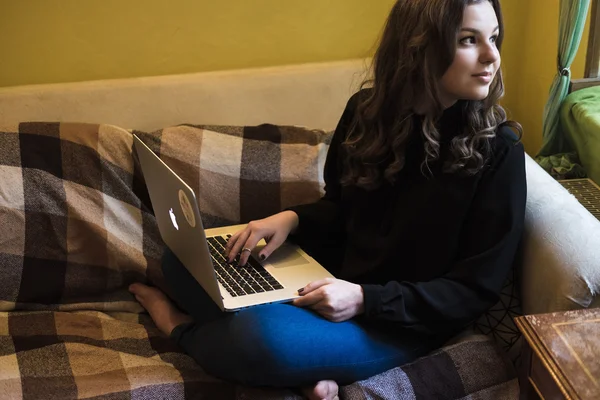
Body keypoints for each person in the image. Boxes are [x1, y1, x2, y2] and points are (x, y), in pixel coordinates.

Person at [129, 0, 526, 399]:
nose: (492, 55)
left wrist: (364, 299)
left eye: (493, 38)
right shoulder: (365, 112)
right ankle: (305, 367)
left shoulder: (499, 152)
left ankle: (180, 328)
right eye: (469, 40)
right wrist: (290, 219)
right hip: (328, 281)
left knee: (258, 338)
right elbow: (343, 208)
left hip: (401, 323)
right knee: (187, 257)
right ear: (418, 47)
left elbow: (474, 290)